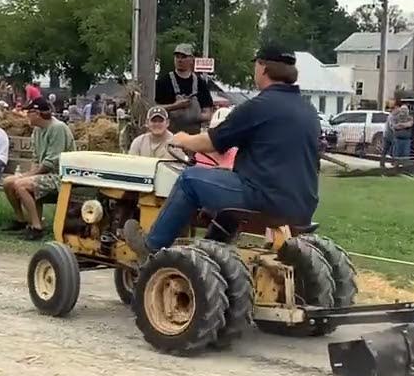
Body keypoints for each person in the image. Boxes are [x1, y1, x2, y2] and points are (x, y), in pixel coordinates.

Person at [124, 44, 319, 257]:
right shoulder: (308, 110)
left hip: (264, 199)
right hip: (302, 205)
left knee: (189, 180)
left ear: (262, 67)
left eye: (256, 65)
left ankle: (152, 246)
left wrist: (183, 139)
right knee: (225, 183)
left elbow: (212, 142)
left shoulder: (259, 106)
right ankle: (211, 251)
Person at [0, 97, 75, 241]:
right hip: (45, 174)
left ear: (38, 113)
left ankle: (36, 226)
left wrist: (26, 177)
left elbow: (50, 163)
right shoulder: (37, 131)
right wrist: (28, 175)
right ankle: (21, 220)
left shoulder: (57, 128)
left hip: (61, 176)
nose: (26, 115)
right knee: (8, 182)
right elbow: (36, 159)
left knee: (21, 185)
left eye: (29, 112)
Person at [155, 43, 214, 135]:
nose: (179, 60)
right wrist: (175, 106)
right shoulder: (164, 81)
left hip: (193, 137)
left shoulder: (200, 83)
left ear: (192, 60)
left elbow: (208, 113)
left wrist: (193, 116)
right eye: (177, 57)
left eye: (183, 57)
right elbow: (154, 109)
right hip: (170, 136)